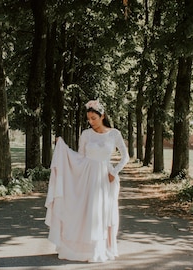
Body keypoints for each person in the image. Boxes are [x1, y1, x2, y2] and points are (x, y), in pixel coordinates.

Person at [45, 99, 129, 262]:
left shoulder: (114, 134)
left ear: (102, 116)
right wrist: (63, 149)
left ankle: (99, 249)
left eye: (94, 118)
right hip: (87, 176)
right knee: (85, 210)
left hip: (105, 178)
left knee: (101, 212)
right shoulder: (86, 134)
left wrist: (115, 171)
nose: (90, 122)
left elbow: (126, 156)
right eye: (88, 119)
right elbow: (80, 157)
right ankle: (80, 250)